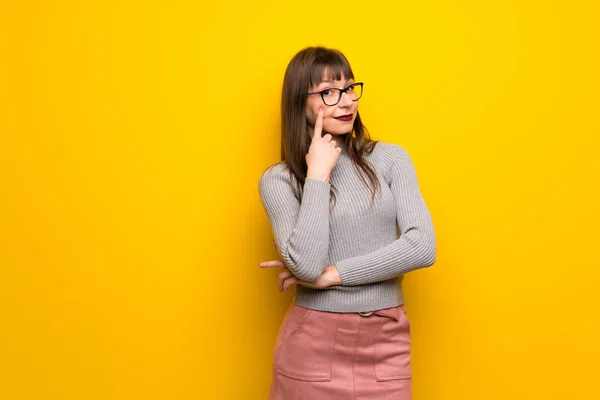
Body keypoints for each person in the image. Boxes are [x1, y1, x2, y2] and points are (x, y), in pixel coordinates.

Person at [257, 46, 436, 400]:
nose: (346, 101)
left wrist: (332, 275)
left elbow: (422, 246)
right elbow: (307, 265)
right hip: (312, 347)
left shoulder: (389, 159)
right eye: (329, 92)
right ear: (300, 102)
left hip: (386, 344)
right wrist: (318, 174)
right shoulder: (279, 180)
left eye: (350, 88)